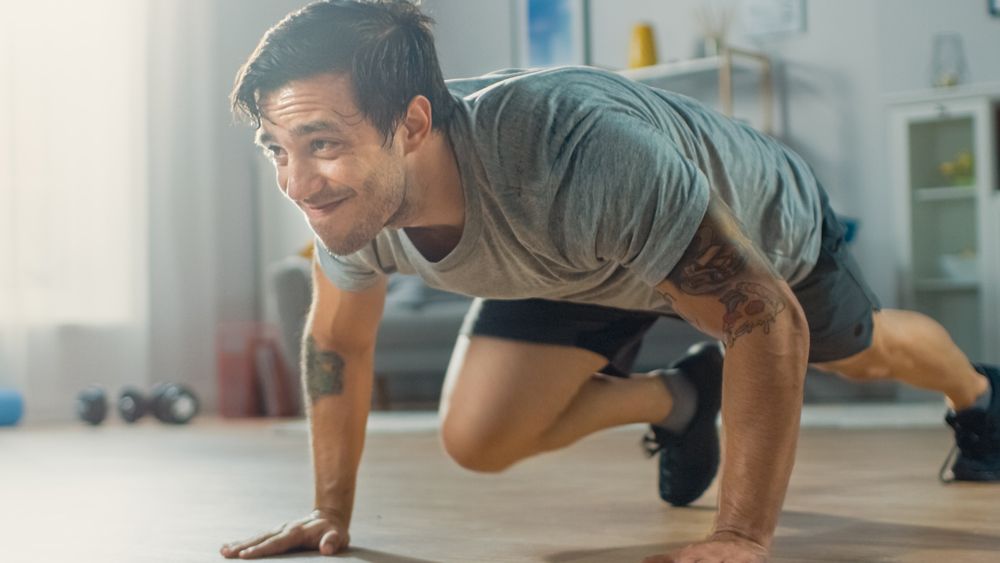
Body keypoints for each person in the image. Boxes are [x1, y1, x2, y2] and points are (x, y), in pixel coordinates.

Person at [220, 1, 1000, 561]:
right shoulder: (354, 208)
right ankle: (687, 397)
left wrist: (739, 535)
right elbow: (336, 344)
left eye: (320, 143)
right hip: (579, 261)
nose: (297, 182)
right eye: (276, 149)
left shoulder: (574, 152)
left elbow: (766, 315)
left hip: (757, 228)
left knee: (858, 354)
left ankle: (978, 394)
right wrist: (329, 511)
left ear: (414, 124)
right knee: (478, 437)